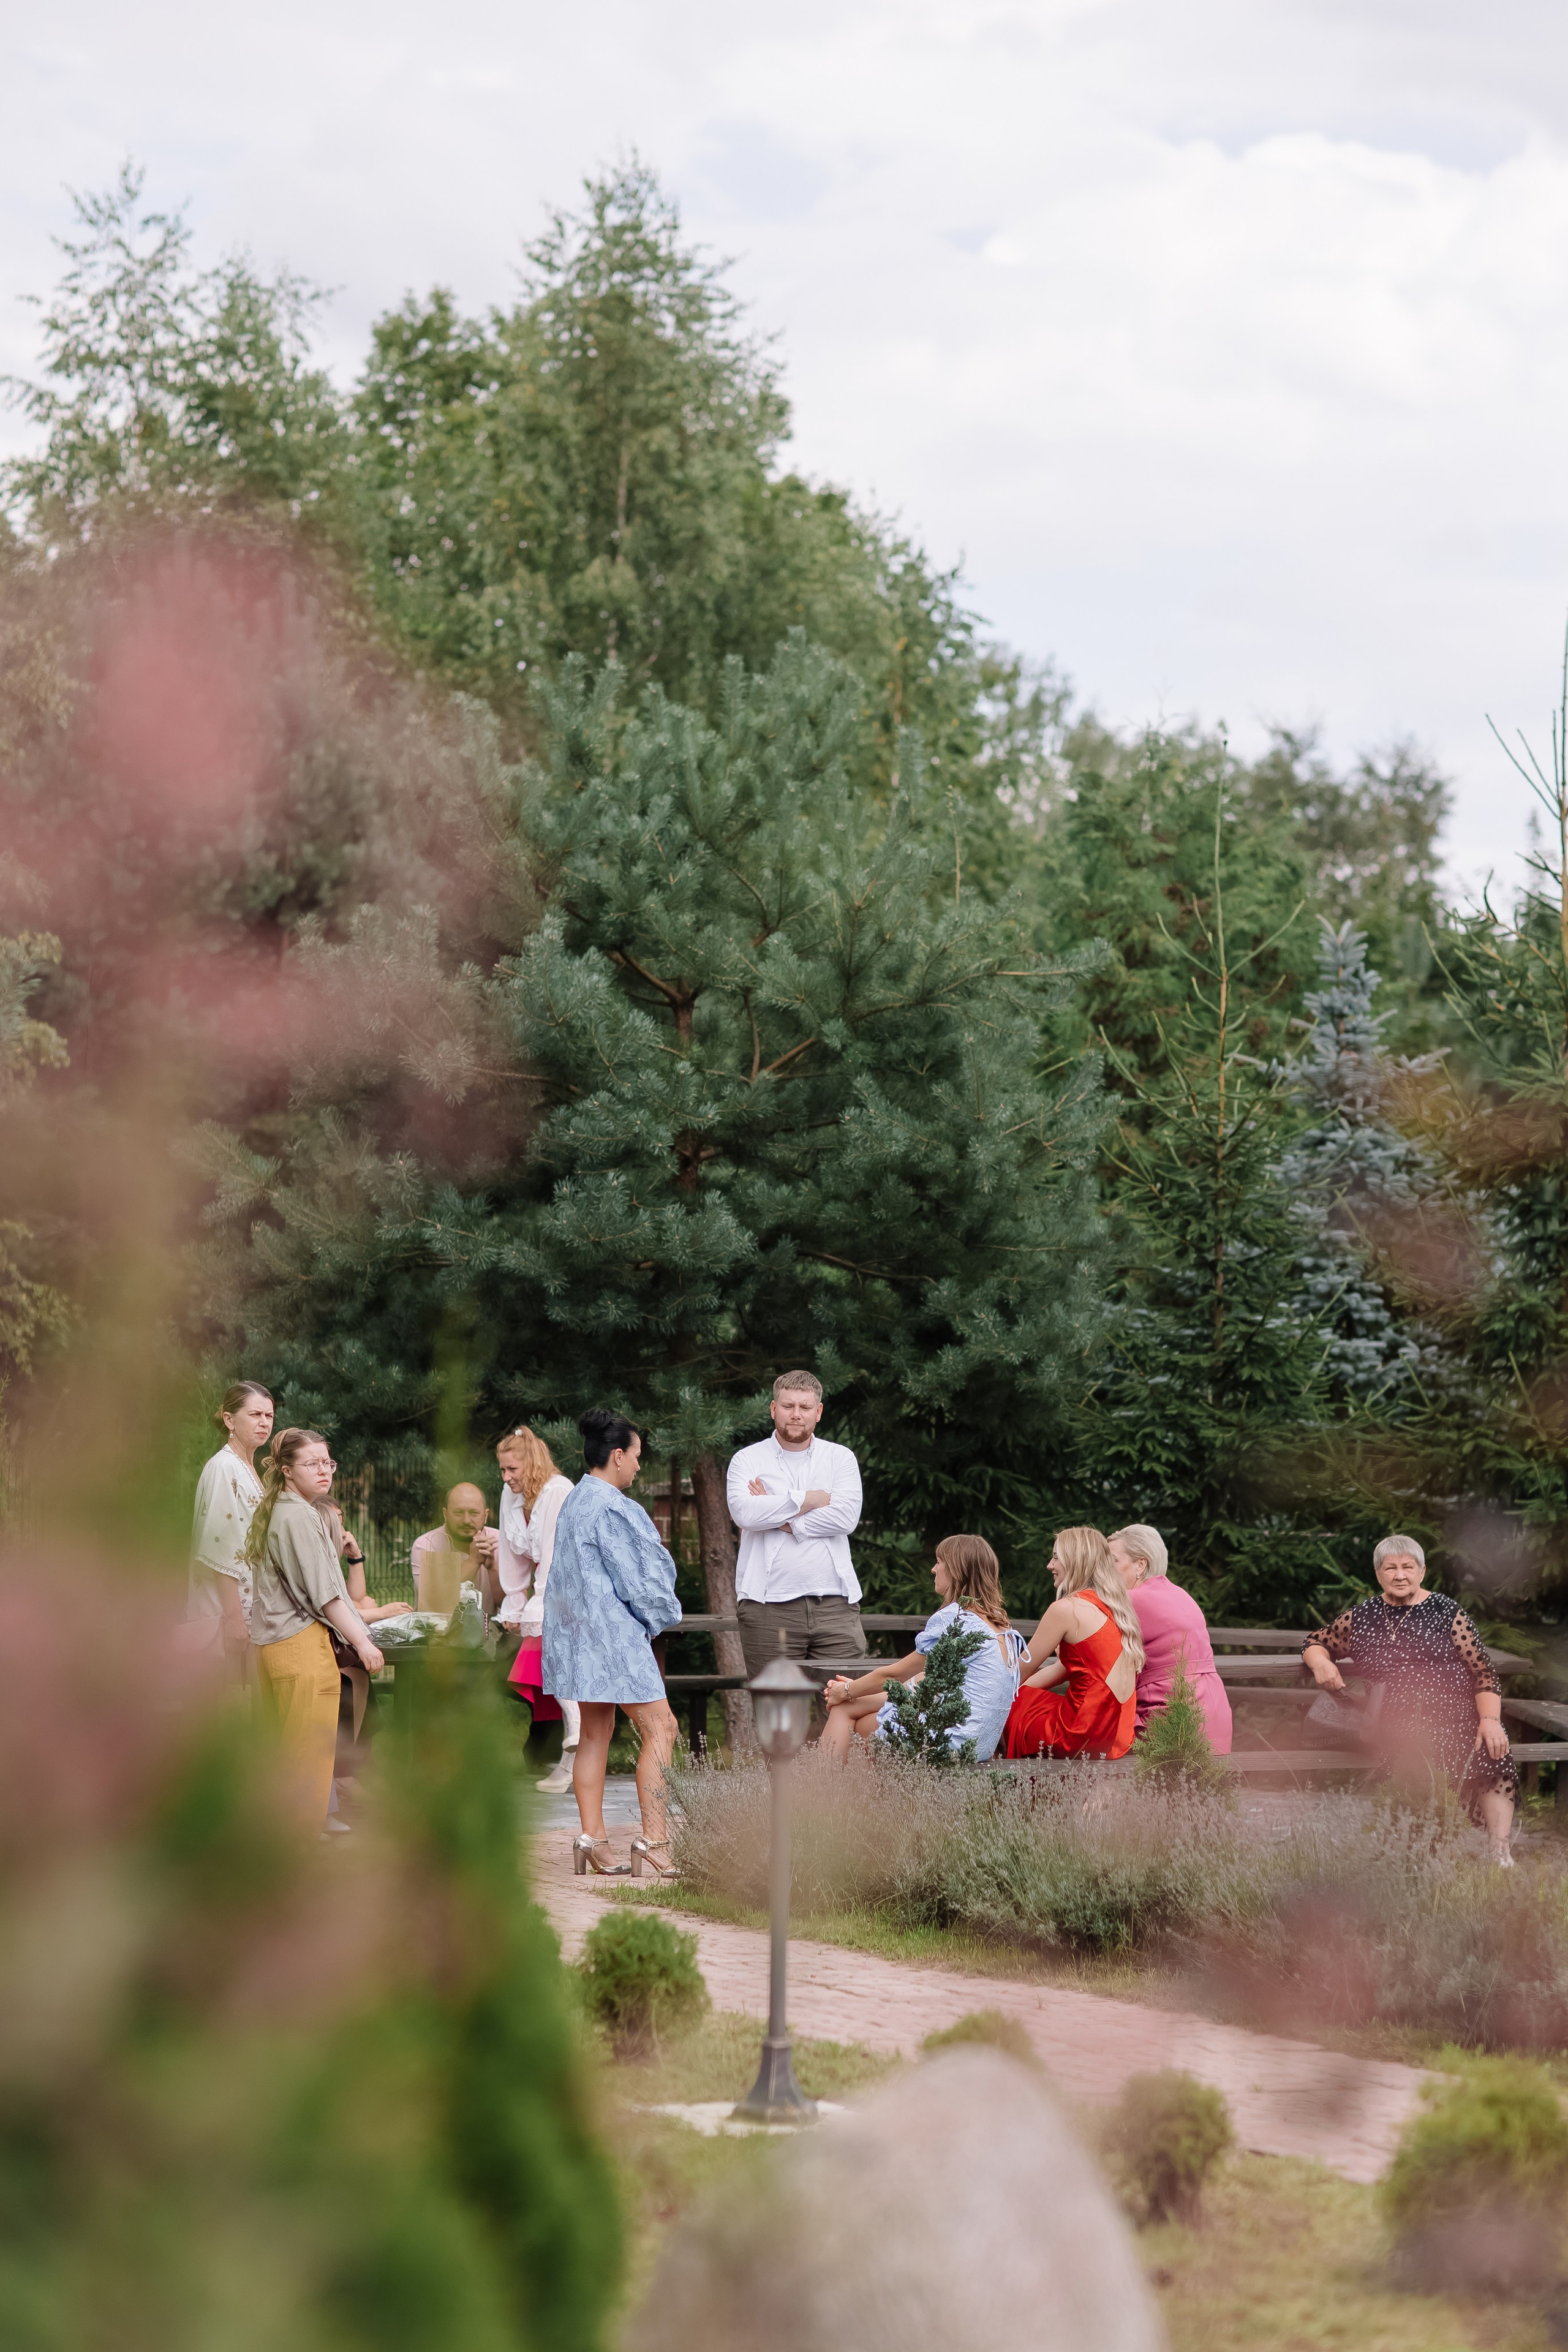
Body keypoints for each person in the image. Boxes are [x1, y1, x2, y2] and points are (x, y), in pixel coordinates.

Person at [1302, 1534, 1519, 1864]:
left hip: (1458, 1714)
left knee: (1493, 1751)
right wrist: (1320, 1662)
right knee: (1419, 1746)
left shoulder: (1447, 1611)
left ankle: (1499, 1849)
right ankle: (1426, 1846)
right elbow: (1315, 1642)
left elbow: (1483, 1673)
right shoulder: (1361, 1617)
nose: (1400, 1575)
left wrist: (1490, 1721)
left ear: (1422, 1571)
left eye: (1408, 1567)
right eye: (1391, 1568)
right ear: (1379, 1574)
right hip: (1396, 1721)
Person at [541, 1408, 681, 1879]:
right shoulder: (615, 1507)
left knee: (595, 1734)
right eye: (637, 1456)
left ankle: (592, 1840)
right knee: (662, 1728)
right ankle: (656, 1842)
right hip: (614, 1639)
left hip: (578, 1640)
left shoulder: (575, 1502)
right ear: (618, 1455)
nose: (639, 1466)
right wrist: (661, 1617)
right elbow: (641, 1580)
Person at [243, 1428, 386, 1834]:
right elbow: (325, 1595)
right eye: (313, 1463)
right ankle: (297, 1858)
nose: (324, 1470)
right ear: (287, 1471)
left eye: (328, 1462)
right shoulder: (299, 1515)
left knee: (288, 1757)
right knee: (306, 1764)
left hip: (278, 1648)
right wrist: (362, 1642)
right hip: (301, 1649)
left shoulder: (282, 1511)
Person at [820, 1534, 1026, 1762]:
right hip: (979, 1744)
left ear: (956, 1570)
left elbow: (895, 1674)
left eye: (939, 1562)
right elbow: (922, 1682)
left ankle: (821, 1791)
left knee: (848, 1716)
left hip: (952, 1739)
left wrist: (845, 1691)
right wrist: (855, 1690)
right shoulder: (1000, 1626)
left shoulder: (957, 1619)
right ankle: (852, 1793)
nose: (933, 1569)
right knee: (853, 1709)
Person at [726, 1370, 865, 1683]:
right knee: (777, 1715)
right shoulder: (746, 1460)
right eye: (788, 1406)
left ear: (818, 1412)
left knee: (845, 1710)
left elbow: (846, 1517)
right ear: (774, 1409)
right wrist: (813, 1499)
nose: (796, 1415)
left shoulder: (840, 1459)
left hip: (836, 1607)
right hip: (767, 1608)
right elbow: (745, 1514)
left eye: (805, 1407)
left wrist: (783, 1518)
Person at [489, 1423, 581, 1796]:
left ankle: (574, 1731)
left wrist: (538, 1604)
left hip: (573, 1588)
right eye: (503, 1469)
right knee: (546, 1660)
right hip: (546, 1590)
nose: (506, 1477)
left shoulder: (558, 1490)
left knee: (550, 1652)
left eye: (513, 1469)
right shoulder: (510, 1495)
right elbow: (511, 1556)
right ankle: (567, 1757)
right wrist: (513, 1603)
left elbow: (558, 1554)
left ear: (534, 1464)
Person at [1001, 1526, 1145, 1760]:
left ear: (1076, 1561)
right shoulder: (1115, 1608)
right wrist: (1017, 1693)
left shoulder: (1067, 1609)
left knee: (1002, 1711)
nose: (1050, 1565)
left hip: (1077, 1732)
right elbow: (1070, 1669)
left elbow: (1019, 1670)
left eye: (1057, 1557)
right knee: (1016, 1699)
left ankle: (1004, 1788)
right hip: (1115, 1733)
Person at [1108, 1523, 1232, 1754]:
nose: (1104, 1570)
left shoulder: (1130, 1600)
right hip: (1214, 1711)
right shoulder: (1180, 1593)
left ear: (1140, 1564)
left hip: (1172, 1714)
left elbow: (1099, 1656)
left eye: (1112, 1561)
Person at [187, 1381, 275, 1668]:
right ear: (229, 1420)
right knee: (231, 1703)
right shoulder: (224, 1467)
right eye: (255, 1415)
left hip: (252, 1609)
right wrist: (235, 1620)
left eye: (269, 1416)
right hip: (229, 1613)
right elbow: (219, 1550)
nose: (264, 1423)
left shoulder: (247, 1466)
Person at [410, 1482, 497, 1616]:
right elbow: (435, 1604)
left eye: (474, 1513)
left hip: (491, 1632)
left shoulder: (499, 1542)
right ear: (445, 1514)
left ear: (486, 1515)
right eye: (458, 1513)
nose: (466, 1520)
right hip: (439, 1634)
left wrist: (493, 1568)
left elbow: (509, 1604)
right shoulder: (428, 1545)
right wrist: (473, 1561)